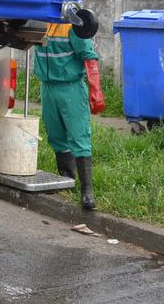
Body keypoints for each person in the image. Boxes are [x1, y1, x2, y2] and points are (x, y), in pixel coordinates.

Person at [33, 22, 101, 210]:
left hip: (71, 87)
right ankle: (66, 180)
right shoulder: (40, 21)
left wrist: (96, 90)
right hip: (47, 87)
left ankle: (87, 191)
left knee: (79, 136)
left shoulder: (73, 24)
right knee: (56, 135)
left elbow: (89, 57)